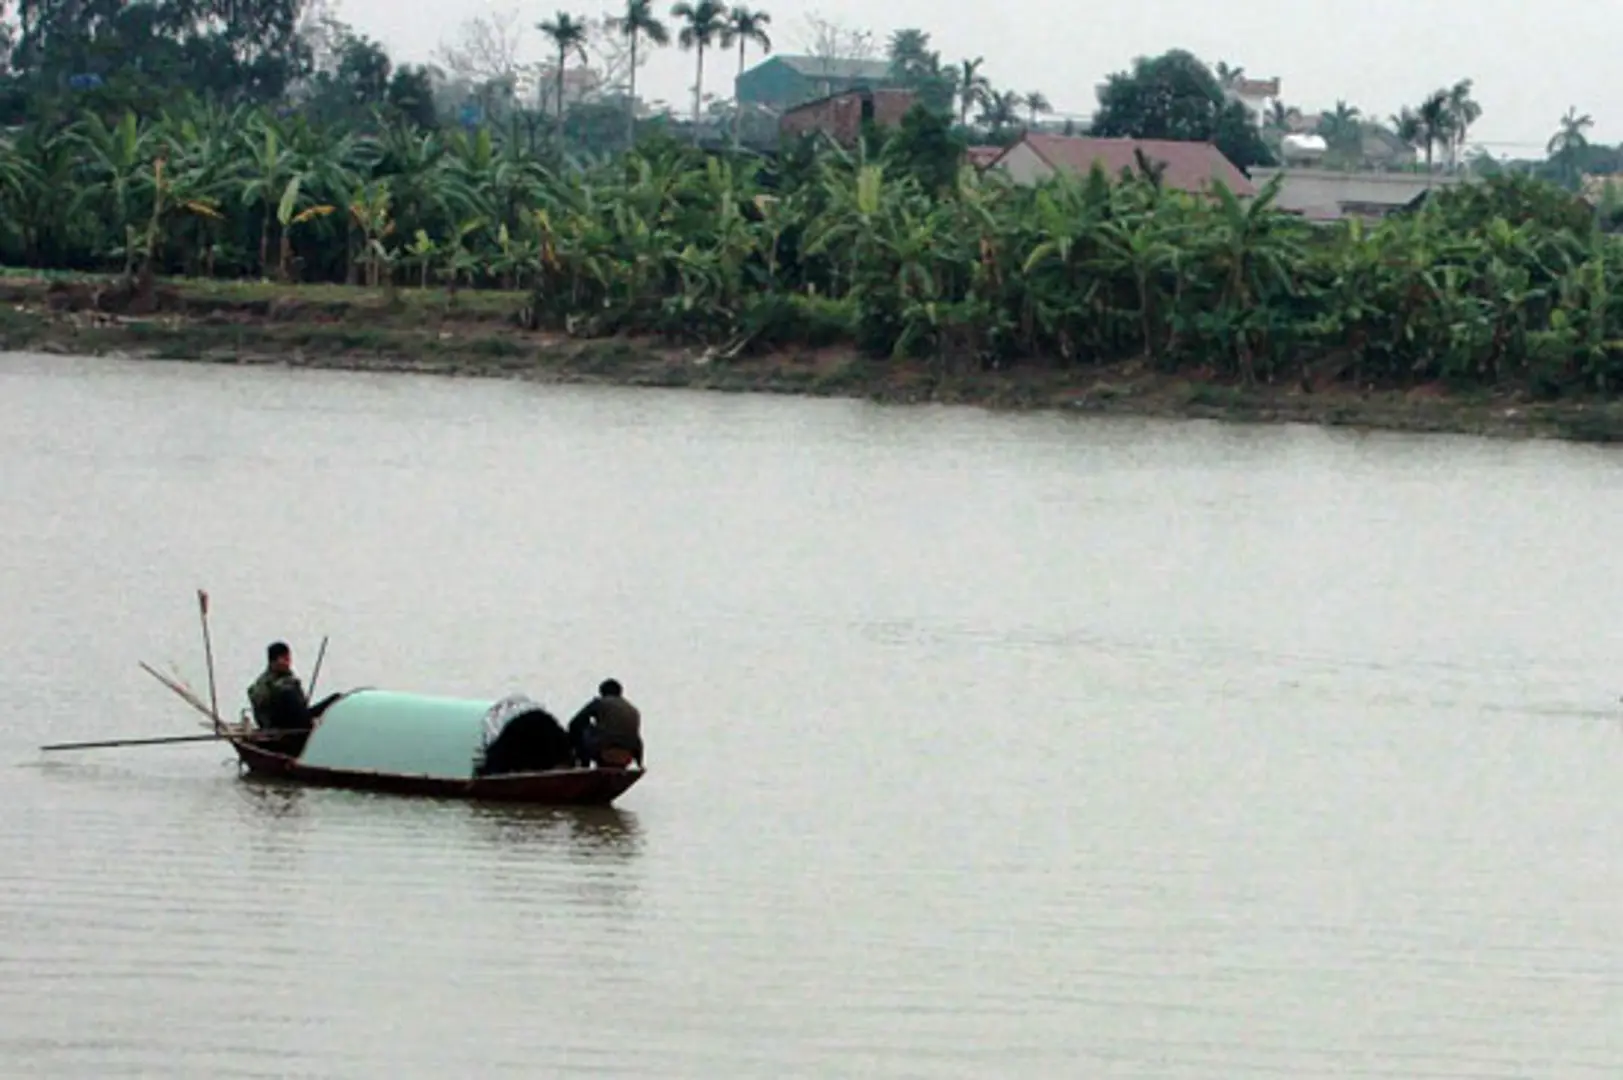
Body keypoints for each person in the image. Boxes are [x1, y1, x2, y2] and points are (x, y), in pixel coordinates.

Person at [567, 678, 644, 769]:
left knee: (582, 728)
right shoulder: (633, 709)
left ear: (602, 692)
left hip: (604, 750)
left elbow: (575, 722)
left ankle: (582, 765)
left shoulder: (600, 702)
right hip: (628, 754)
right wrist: (639, 762)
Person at [247, 641, 311, 732]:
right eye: (284, 659)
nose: (288, 663)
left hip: (299, 720)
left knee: (335, 697)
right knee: (287, 693)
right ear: (273, 662)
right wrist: (277, 690)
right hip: (277, 725)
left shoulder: (291, 678)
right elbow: (258, 700)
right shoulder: (264, 682)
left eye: (288, 659)